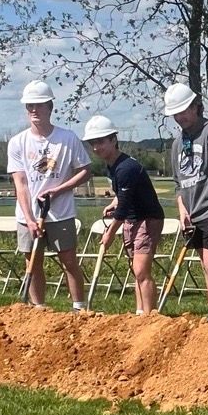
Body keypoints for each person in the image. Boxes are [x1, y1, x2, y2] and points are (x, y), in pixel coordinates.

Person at [7, 80, 91, 311]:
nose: (34, 110)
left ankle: (78, 307)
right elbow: (20, 183)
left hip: (61, 213)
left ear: (50, 107)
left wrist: (59, 190)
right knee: (33, 263)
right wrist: (30, 218)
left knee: (69, 261)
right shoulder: (17, 143)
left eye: (39, 105)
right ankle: (39, 308)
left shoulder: (68, 138)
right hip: (28, 215)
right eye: (30, 106)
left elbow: (85, 171)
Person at [164, 83, 208, 321]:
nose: (180, 117)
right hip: (192, 213)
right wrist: (182, 210)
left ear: (196, 107)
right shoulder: (177, 144)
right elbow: (178, 182)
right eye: (176, 113)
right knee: (205, 263)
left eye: (184, 111)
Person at [83, 115, 165, 316]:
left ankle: (150, 315)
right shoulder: (112, 166)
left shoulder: (127, 167)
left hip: (147, 219)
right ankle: (139, 313)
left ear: (113, 140)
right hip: (131, 218)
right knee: (134, 269)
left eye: (101, 142)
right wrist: (114, 202)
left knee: (141, 270)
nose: (96, 147)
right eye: (93, 143)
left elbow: (124, 205)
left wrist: (110, 234)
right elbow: (124, 197)